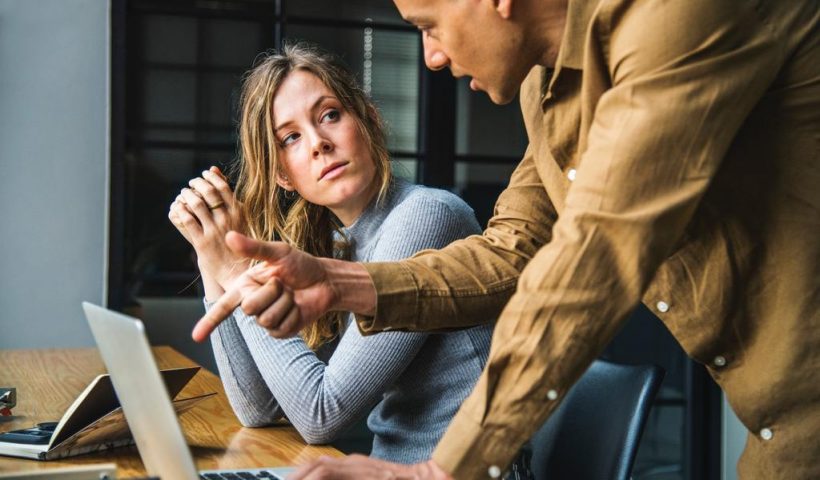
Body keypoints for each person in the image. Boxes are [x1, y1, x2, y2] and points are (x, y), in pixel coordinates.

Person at [194, 0, 820, 478]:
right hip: (778, 427)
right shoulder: (543, 89)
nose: (432, 57)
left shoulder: (674, 18)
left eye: (427, 25)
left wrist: (443, 470)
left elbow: (593, 257)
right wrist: (334, 282)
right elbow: (511, 252)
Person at [168, 43, 499, 465]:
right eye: (291, 138)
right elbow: (260, 410)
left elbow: (321, 414)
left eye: (329, 115)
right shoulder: (341, 245)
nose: (318, 143)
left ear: (369, 120)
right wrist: (210, 251)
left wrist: (237, 271)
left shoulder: (426, 216)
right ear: (283, 176)